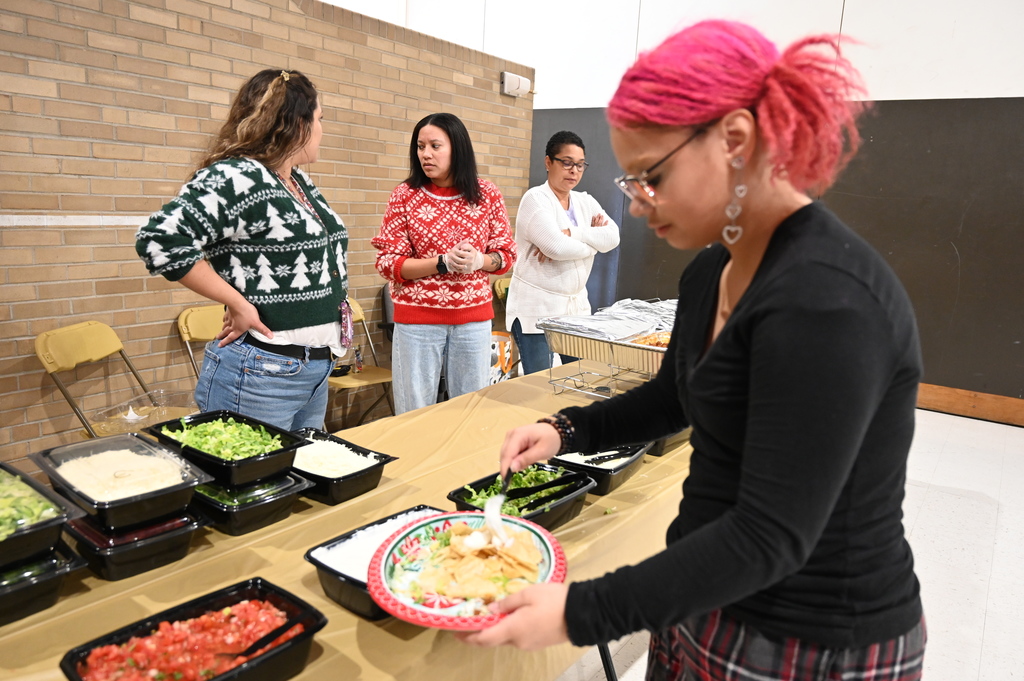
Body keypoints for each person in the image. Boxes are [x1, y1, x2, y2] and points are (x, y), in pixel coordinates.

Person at [461, 20, 926, 681]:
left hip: (811, 636)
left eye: (649, 176)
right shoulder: (713, 271)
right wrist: (564, 428)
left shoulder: (826, 300)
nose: (638, 204)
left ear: (735, 140)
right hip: (705, 592)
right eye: (630, 183)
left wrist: (581, 611)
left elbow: (770, 535)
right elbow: (675, 395)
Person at [136, 69, 349, 432]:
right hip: (261, 372)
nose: (322, 130)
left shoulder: (298, 181)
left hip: (312, 370)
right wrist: (237, 302)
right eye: (319, 119)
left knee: (299, 480)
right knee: (245, 481)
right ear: (298, 125)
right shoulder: (240, 176)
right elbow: (160, 238)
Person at [373, 113, 517, 414]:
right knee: (414, 412)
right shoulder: (405, 195)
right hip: (417, 321)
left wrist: (481, 260)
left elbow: (506, 255)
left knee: (470, 410)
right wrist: (440, 263)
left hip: (473, 321)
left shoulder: (487, 194)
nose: (425, 154)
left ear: (457, 148)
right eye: (420, 146)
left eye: (435, 146)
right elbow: (388, 262)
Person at [505, 130, 620, 374]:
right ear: (548, 162)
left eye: (580, 165)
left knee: (581, 378)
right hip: (536, 308)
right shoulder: (535, 199)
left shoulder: (585, 201)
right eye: (567, 163)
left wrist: (572, 234)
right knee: (540, 382)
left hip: (575, 307)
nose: (574, 171)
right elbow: (556, 248)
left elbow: (613, 237)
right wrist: (592, 244)